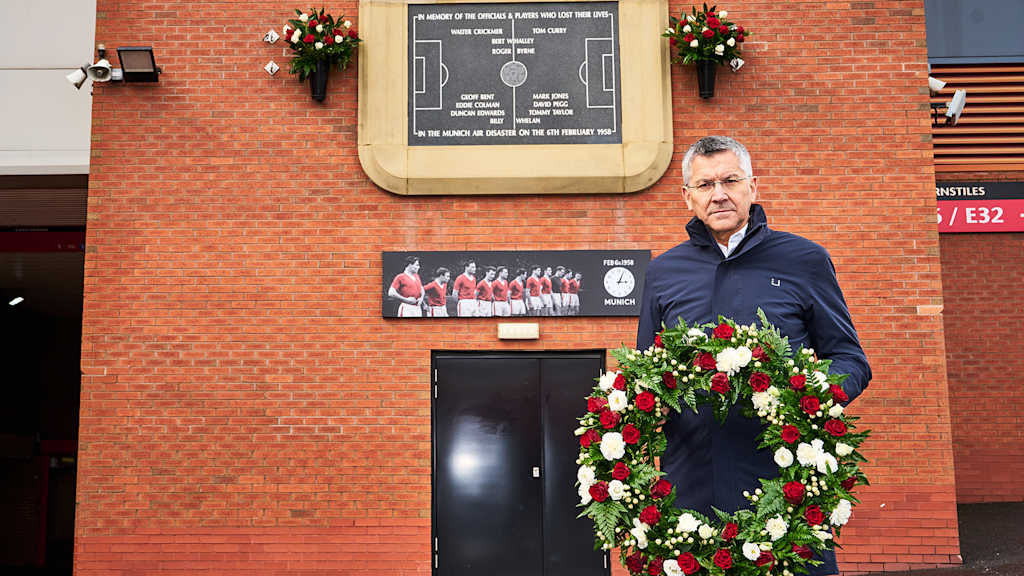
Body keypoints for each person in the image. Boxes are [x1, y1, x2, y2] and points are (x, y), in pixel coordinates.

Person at [636, 136, 871, 576]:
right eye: (705, 185)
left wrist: (811, 400)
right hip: (690, 489)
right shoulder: (664, 272)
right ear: (687, 197)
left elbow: (849, 359)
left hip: (784, 483)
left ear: (753, 188)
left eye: (730, 180)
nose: (719, 193)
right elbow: (647, 377)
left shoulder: (804, 259)